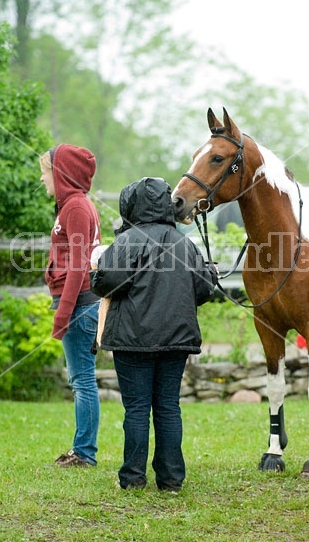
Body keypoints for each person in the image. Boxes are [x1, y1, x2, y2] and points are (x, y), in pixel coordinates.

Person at [90, 177, 218, 491]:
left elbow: (106, 283)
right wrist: (208, 271)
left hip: (133, 340)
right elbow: (203, 289)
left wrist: (97, 272)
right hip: (177, 339)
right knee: (168, 407)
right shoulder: (184, 244)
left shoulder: (128, 241)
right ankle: (171, 479)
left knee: (136, 408)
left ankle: (133, 478)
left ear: (131, 205)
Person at [39, 144, 101, 468]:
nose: (41, 178)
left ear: (61, 174)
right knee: (80, 379)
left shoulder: (76, 207)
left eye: (45, 171)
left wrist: (62, 315)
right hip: (77, 306)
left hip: (80, 307)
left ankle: (85, 453)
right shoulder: (72, 206)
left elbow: (79, 266)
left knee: (82, 380)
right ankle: (82, 449)